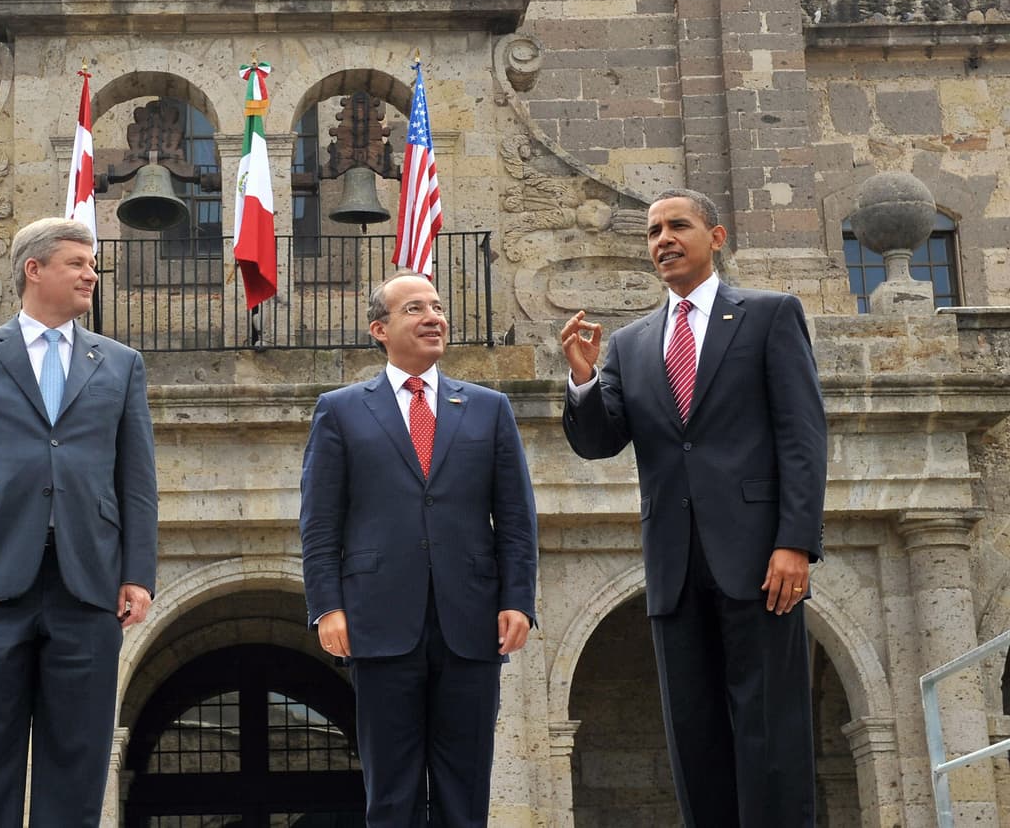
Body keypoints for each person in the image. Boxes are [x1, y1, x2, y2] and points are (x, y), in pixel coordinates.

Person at [560, 188, 826, 828]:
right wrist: (583, 380)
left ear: (718, 236)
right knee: (693, 735)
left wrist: (795, 541)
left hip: (762, 560)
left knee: (771, 733)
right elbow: (599, 443)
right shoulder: (629, 344)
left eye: (678, 226)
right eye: (653, 232)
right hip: (674, 567)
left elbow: (802, 435)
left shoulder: (769, 315)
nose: (663, 240)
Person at [0, 217, 158, 828]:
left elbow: (137, 481)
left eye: (91, 263)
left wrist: (139, 573)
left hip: (90, 583)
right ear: (34, 269)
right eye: (77, 262)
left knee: (77, 764)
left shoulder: (121, 364)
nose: (90, 273)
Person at [300, 271, 538, 828]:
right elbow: (319, 522)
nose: (434, 316)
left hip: (472, 621)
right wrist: (327, 606)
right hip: (378, 622)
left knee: (465, 786)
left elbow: (516, 517)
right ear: (379, 329)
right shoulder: (340, 410)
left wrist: (518, 599)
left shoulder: (488, 408)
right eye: (415, 308)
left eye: (436, 306)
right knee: (392, 789)